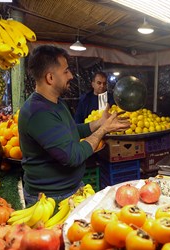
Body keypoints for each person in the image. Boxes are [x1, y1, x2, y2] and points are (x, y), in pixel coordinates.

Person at [18, 45, 130, 205]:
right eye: (65, 71)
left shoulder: (57, 102)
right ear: (50, 78)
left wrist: (100, 123)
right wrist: (103, 130)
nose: (71, 75)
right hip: (51, 199)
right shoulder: (38, 113)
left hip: (71, 188)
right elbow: (72, 156)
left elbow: (72, 131)